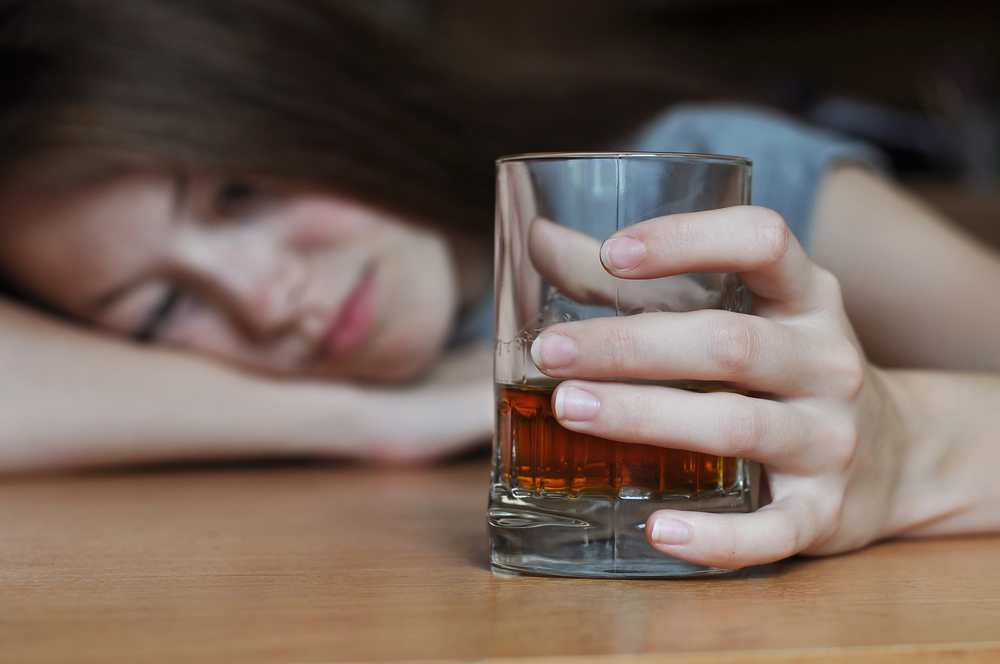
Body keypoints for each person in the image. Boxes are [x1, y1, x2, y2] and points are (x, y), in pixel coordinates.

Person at [0, 0, 998, 570]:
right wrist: (363, 418)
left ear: (314, 102)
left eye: (238, 194)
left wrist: (907, 442)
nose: (263, 298)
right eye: (161, 307)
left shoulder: (706, 186)